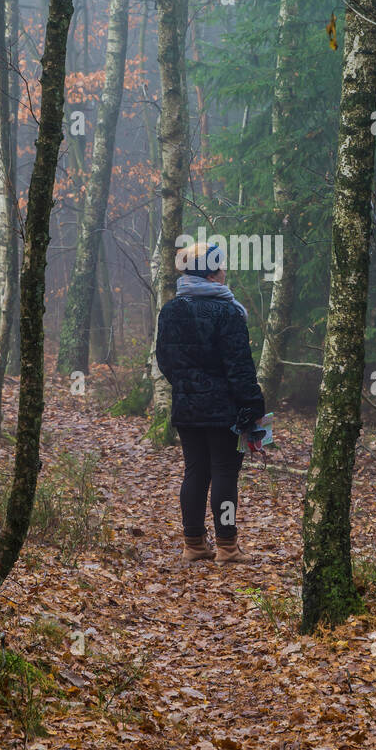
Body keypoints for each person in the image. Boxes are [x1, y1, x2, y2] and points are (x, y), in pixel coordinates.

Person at [155, 240, 266, 563]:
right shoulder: (228, 311)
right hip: (224, 410)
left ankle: (193, 545)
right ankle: (227, 546)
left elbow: (165, 360)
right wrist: (253, 406)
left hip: (187, 406)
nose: (224, 271)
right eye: (220, 266)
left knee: (195, 472)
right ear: (211, 273)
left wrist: (187, 386)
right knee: (224, 473)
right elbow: (240, 367)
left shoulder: (171, 310)